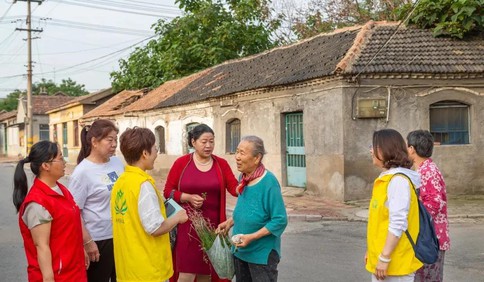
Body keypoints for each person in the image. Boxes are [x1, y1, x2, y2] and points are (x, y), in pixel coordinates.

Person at [111, 127, 188, 281]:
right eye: (155, 149)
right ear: (145, 153)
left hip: (128, 267)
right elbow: (155, 228)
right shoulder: (143, 185)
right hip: (148, 270)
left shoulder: (121, 181)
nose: (156, 153)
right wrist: (177, 218)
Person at [164, 124, 238, 282]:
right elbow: (168, 191)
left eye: (211, 141)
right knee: (186, 274)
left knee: (207, 274)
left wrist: (251, 178)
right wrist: (186, 197)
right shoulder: (181, 163)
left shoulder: (221, 164)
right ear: (193, 142)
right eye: (204, 141)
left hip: (213, 228)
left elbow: (234, 188)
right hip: (187, 227)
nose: (208, 145)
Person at [13, 140, 88, 281]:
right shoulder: (37, 203)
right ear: (45, 166)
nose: (64, 162)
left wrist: (80, 249)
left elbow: (68, 229)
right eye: (60, 158)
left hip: (73, 271)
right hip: (57, 275)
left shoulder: (61, 189)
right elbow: (42, 247)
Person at [217, 135, 288, 282]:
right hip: (240, 250)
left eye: (242, 153)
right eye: (237, 152)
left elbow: (280, 220)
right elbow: (247, 209)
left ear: (257, 158)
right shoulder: (243, 179)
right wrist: (230, 222)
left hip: (261, 254)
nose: (237, 157)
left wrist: (252, 237)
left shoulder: (269, 182)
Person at [68, 119, 125, 282]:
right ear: (94, 141)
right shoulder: (82, 172)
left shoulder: (116, 162)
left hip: (120, 235)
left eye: (116, 140)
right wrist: (88, 242)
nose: (114, 144)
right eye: (109, 140)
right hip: (98, 240)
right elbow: (74, 212)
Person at [366, 129, 423, 281]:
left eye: (374, 146)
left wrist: (384, 258)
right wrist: (372, 252)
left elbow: (398, 223)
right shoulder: (386, 179)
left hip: (396, 265)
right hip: (384, 261)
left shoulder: (398, 181)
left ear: (387, 149)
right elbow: (380, 223)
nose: (371, 150)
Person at [407, 130, 450, 282]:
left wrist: (412, 214)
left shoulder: (428, 171)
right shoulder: (422, 170)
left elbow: (434, 204)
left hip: (431, 238)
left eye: (407, 146)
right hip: (427, 236)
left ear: (412, 149)